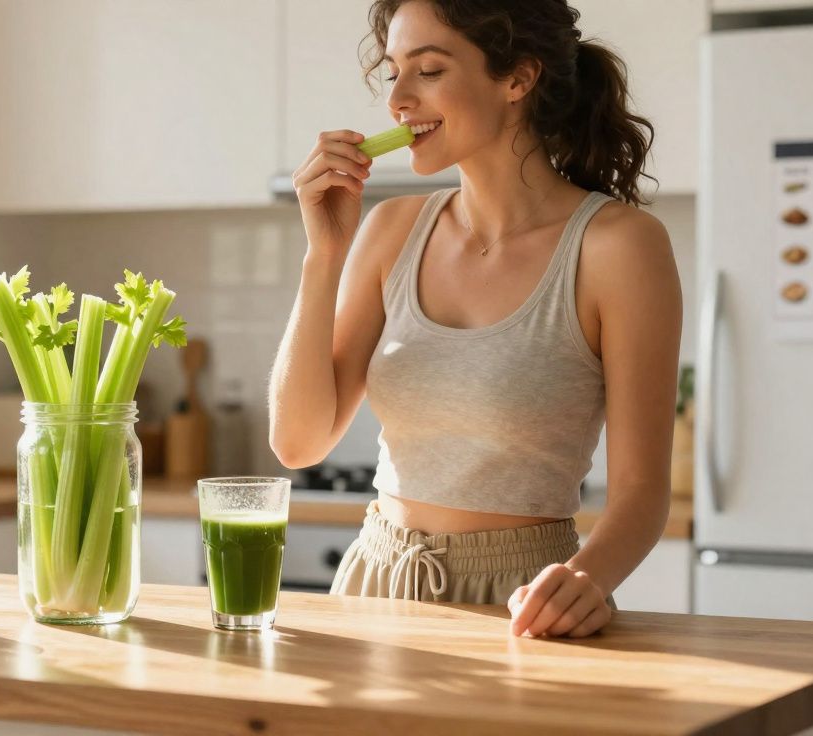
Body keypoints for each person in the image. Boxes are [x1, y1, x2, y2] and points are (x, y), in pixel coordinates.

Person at [268, 0, 682, 639]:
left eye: (428, 71)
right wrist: (322, 255)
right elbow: (299, 442)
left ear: (517, 79)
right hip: (373, 582)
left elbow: (641, 489)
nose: (398, 99)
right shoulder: (390, 230)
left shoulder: (618, 246)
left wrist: (587, 579)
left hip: (520, 600)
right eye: (393, 73)